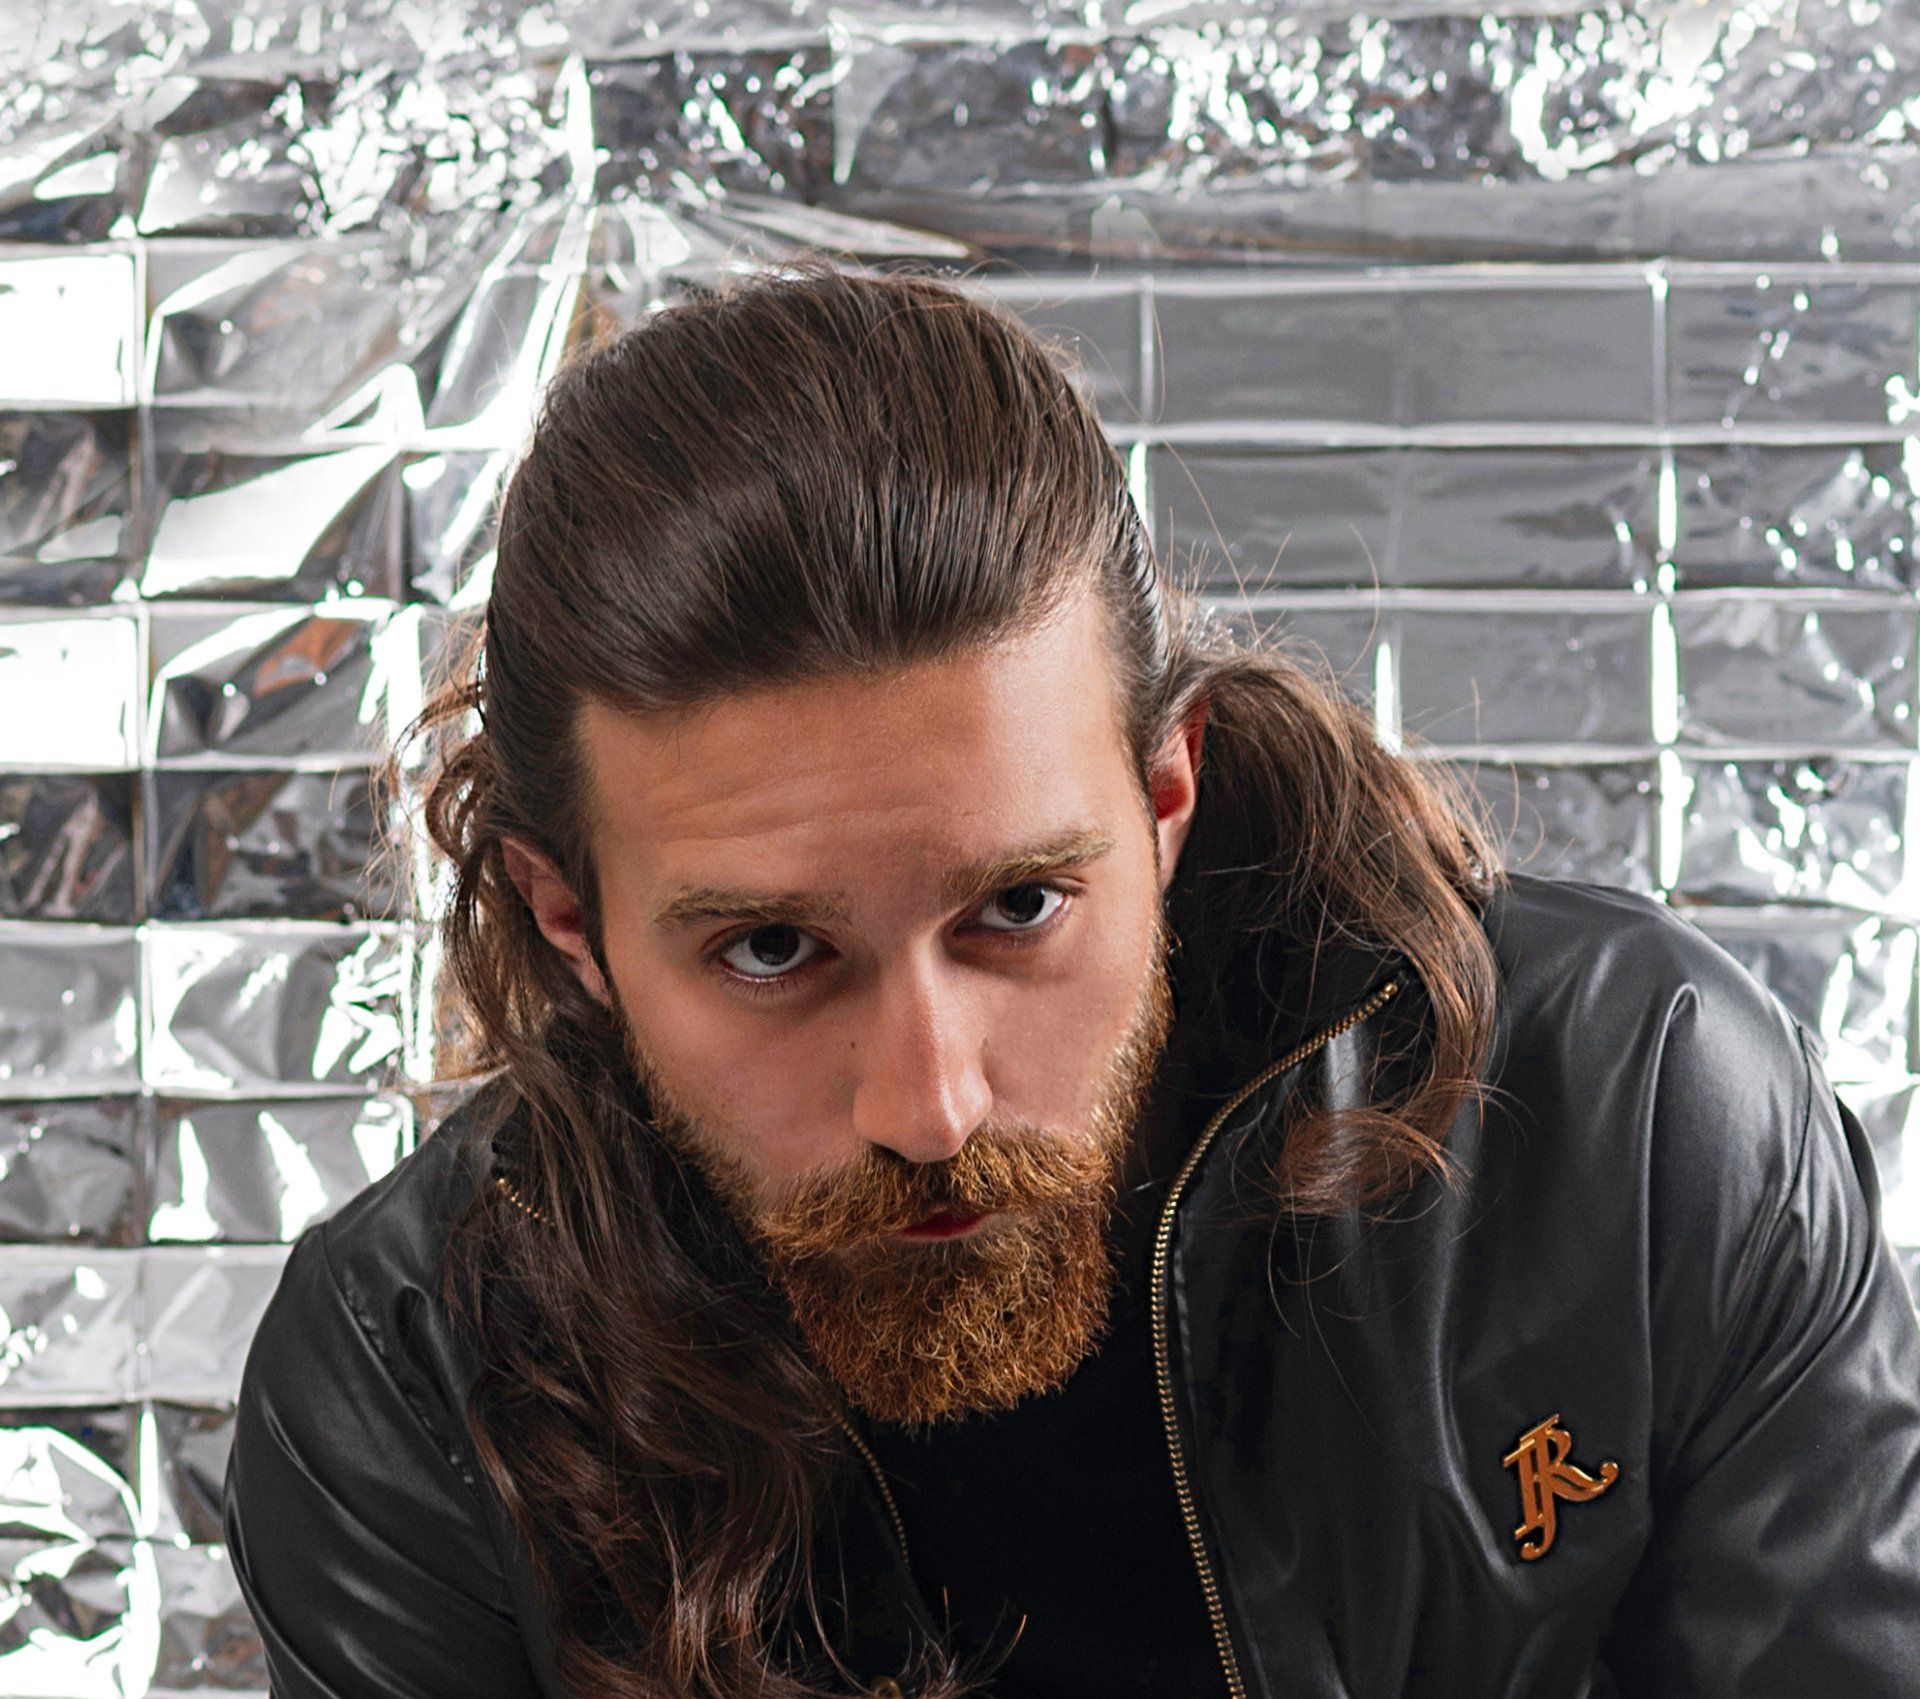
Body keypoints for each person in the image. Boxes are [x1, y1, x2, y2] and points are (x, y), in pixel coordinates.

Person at [222, 256, 1920, 1699]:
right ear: (570, 920)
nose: (932, 1105)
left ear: (1165, 794)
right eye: (771, 950)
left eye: (1019, 908)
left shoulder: (1633, 1123)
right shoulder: (415, 1396)